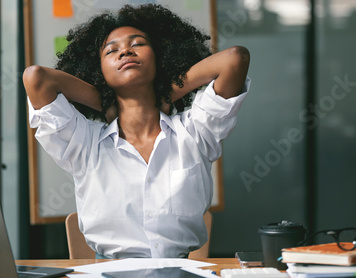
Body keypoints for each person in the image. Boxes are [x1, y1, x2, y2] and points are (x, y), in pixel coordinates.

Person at [23, 4, 251, 259]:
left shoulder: (194, 132)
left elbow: (235, 59)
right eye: (112, 50)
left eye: (138, 44)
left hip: (179, 274)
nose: (126, 52)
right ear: (98, 71)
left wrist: (167, 91)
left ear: (160, 56)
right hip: (108, 274)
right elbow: (37, 78)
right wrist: (107, 100)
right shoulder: (85, 144)